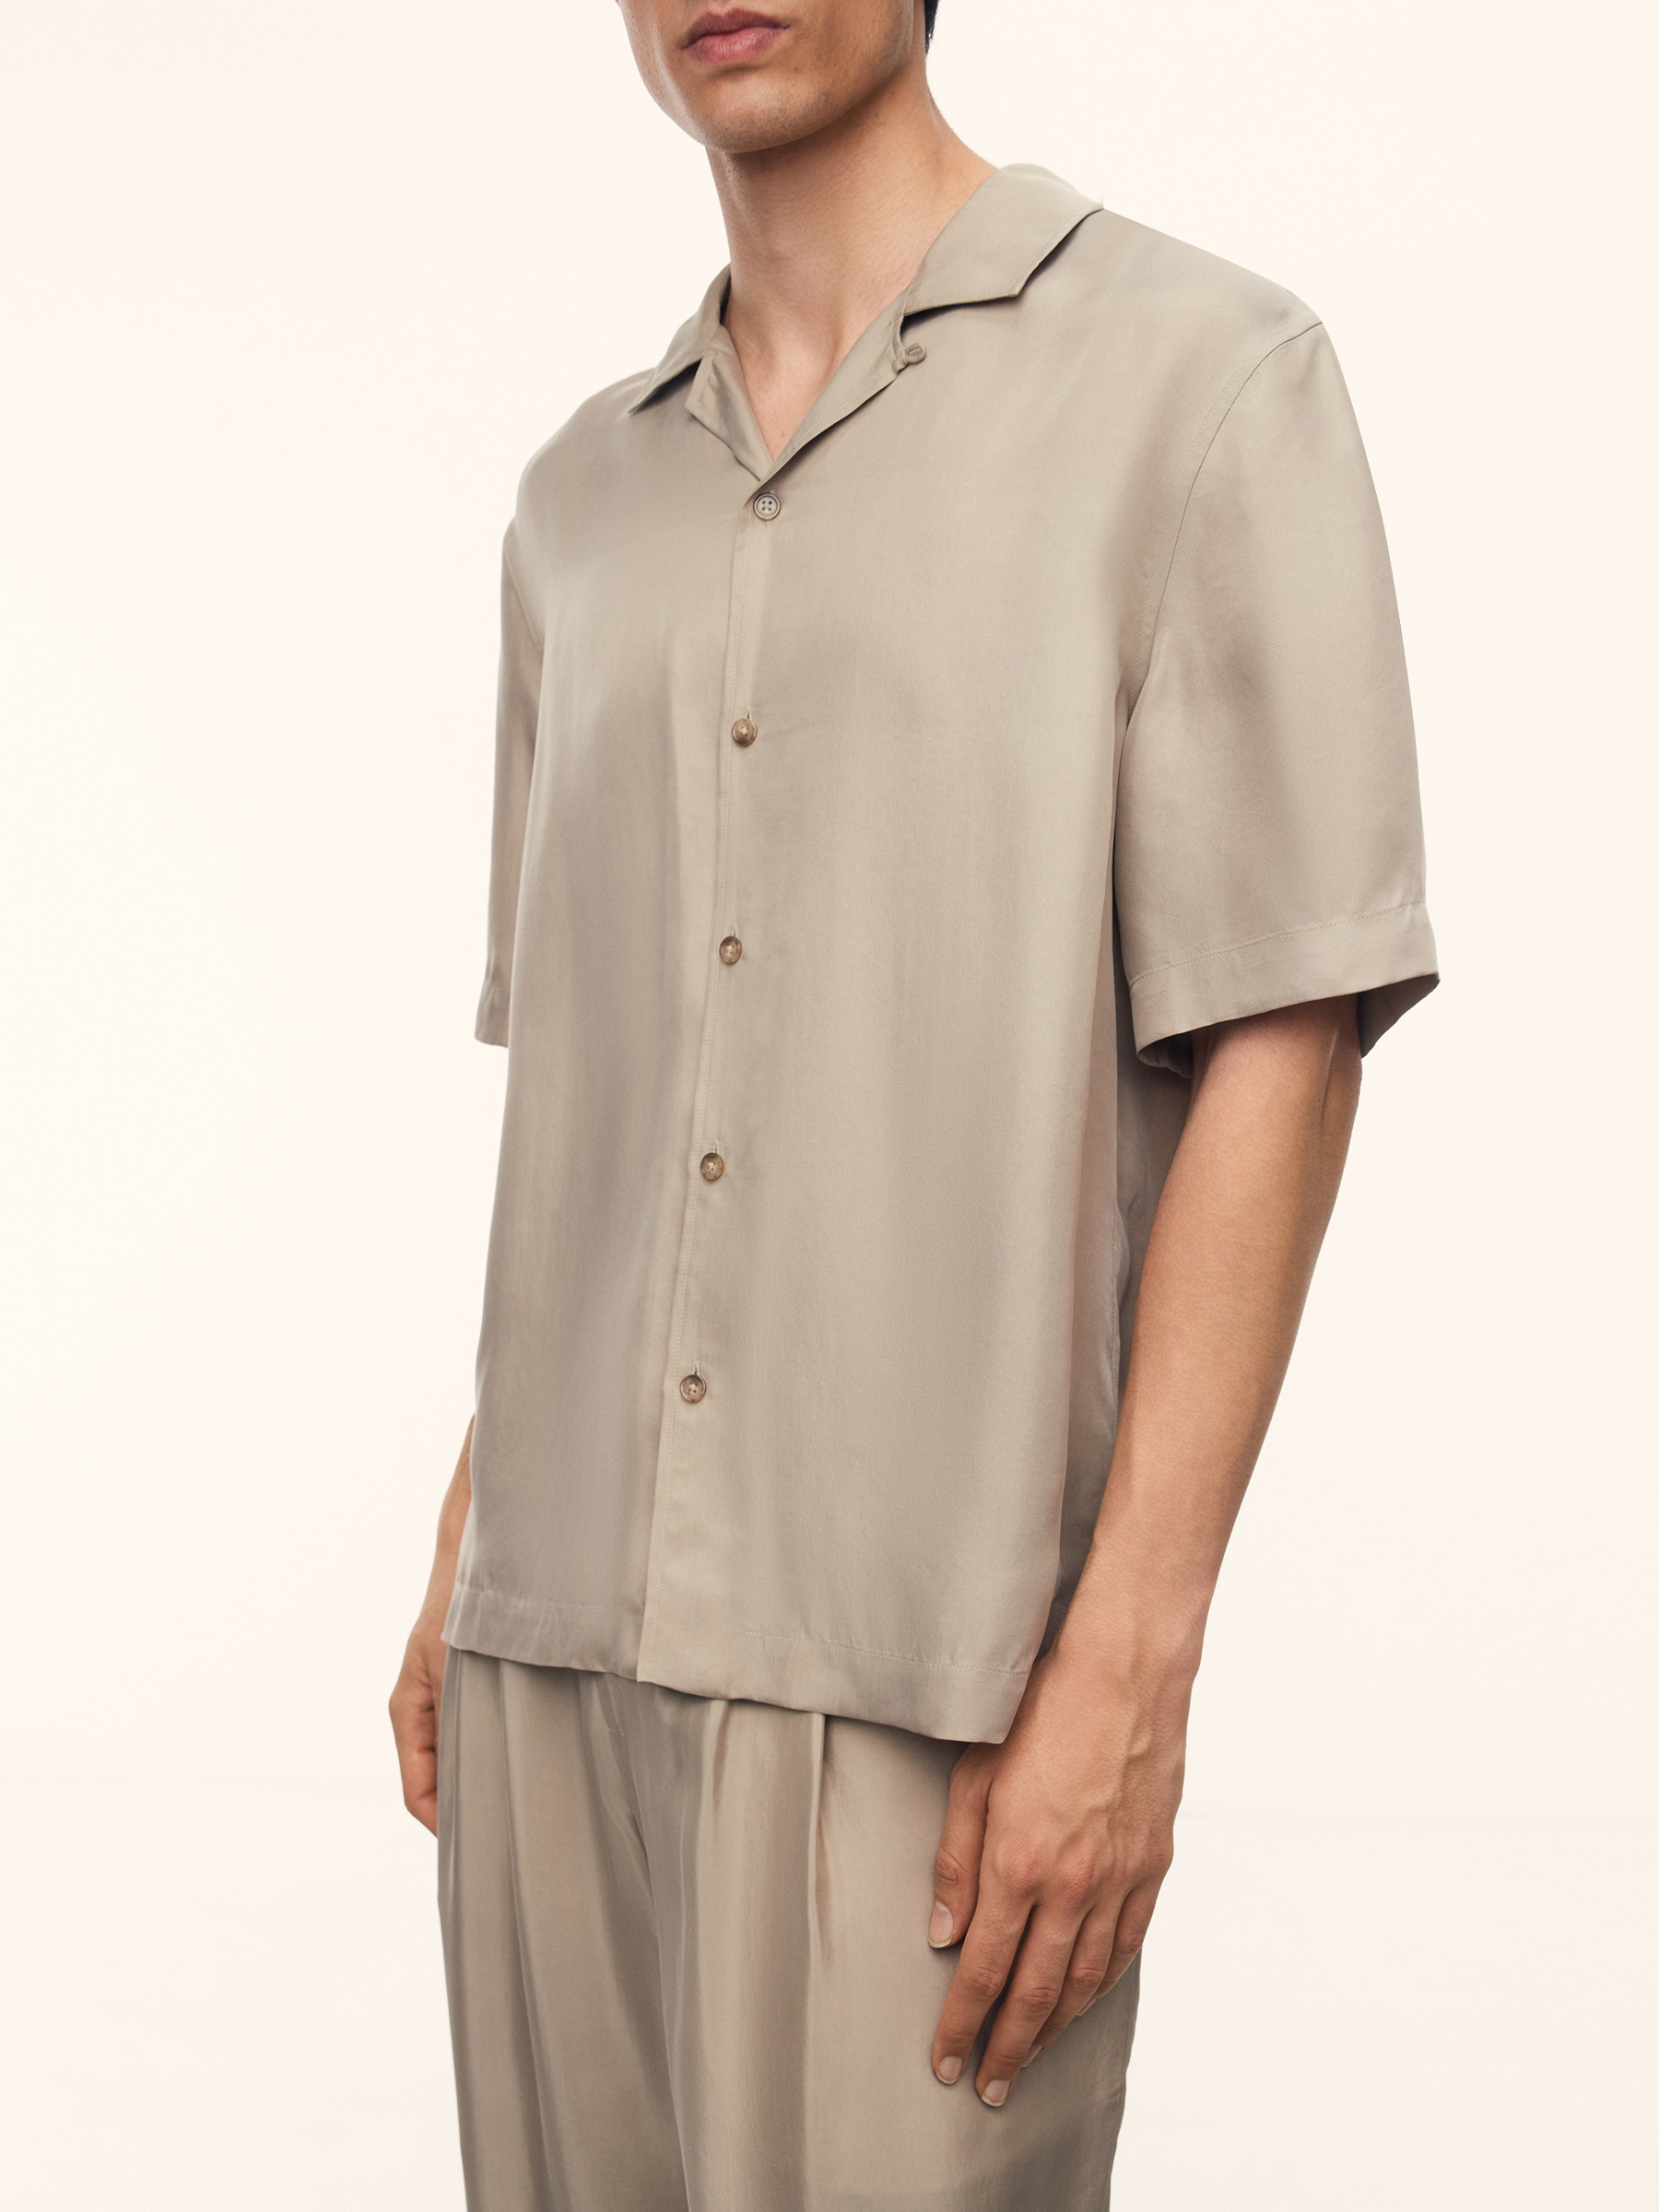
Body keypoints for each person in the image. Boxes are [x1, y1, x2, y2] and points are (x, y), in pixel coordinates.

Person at [388, 2, 1437, 2204]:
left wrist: (1136, 1662)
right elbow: (592, 1094)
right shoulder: (575, 505)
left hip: (934, 1670)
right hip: (546, 1640)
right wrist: (474, 1533)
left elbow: (1285, 1026)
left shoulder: (1201, 382)